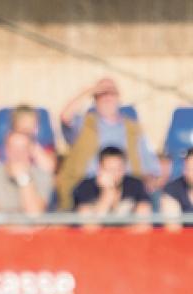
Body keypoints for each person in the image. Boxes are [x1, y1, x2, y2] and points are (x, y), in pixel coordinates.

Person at [56, 77, 160, 210]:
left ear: (118, 97)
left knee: (146, 205)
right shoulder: (84, 123)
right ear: (94, 99)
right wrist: (88, 91)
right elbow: (65, 116)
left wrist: (150, 179)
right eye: (101, 94)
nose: (107, 98)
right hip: (89, 185)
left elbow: (151, 166)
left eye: (111, 92)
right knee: (86, 212)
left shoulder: (134, 129)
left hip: (127, 185)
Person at [73, 146, 152, 229]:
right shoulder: (85, 187)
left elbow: (144, 223)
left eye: (118, 169)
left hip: (128, 240)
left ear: (124, 168)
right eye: (109, 169)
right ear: (99, 169)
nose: (114, 174)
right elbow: (89, 227)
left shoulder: (135, 185)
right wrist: (107, 193)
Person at [0, 131, 52, 215]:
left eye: (23, 148)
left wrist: (24, 179)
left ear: (31, 151)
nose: (18, 154)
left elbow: (34, 215)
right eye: (13, 148)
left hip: (31, 227)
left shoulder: (43, 177)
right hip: (3, 228)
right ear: (6, 150)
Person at [159, 148, 193, 231]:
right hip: (183, 242)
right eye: (186, 168)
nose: (187, 173)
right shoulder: (172, 189)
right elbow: (174, 231)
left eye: (191, 169)